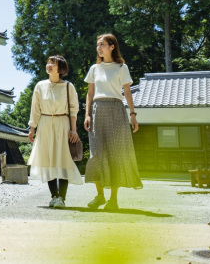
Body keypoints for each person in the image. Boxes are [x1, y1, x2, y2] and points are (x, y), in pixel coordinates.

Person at [83, 33, 143, 211]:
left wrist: (133, 114)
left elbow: (127, 92)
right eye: (97, 45)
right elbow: (90, 93)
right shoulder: (95, 68)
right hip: (97, 111)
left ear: (112, 47)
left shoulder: (121, 67)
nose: (99, 48)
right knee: (96, 155)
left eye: (102, 44)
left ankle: (113, 199)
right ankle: (100, 196)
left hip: (116, 111)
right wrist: (87, 114)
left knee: (115, 154)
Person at [28, 55, 83, 209]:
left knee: (63, 160)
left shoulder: (68, 86)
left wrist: (74, 130)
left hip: (62, 124)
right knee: (49, 160)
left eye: (53, 63)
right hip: (45, 125)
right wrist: (32, 128)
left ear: (61, 68)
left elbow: (73, 109)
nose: (49, 65)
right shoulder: (40, 86)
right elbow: (35, 108)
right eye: (48, 62)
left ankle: (62, 198)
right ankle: (54, 196)